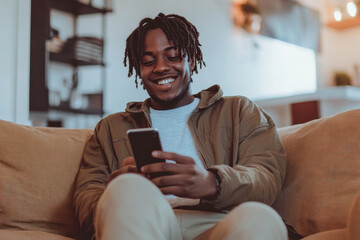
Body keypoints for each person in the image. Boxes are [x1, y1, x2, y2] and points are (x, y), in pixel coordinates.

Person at [74, 13, 288, 240]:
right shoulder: (109, 128)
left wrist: (212, 183)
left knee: (260, 218)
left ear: (192, 59)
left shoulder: (239, 111)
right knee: (126, 187)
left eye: (173, 56)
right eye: (148, 61)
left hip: (217, 224)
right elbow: (86, 198)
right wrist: (112, 195)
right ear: (139, 69)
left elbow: (266, 177)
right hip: (143, 223)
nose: (160, 68)